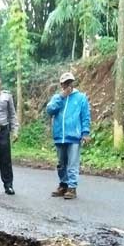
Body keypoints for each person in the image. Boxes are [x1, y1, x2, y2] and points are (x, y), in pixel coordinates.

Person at [46, 72, 91, 200]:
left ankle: (72, 187)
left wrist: (85, 132)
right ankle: (63, 185)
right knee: (61, 163)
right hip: (60, 136)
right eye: (65, 83)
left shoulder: (81, 98)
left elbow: (85, 116)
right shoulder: (57, 97)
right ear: (61, 84)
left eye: (70, 82)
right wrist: (61, 97)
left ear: (73, 83)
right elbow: (49, 110)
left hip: (74, 136)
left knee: (72, 163)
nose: (68, 85)